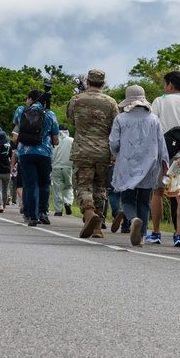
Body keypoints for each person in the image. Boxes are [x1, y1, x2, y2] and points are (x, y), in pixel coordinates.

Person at [110, 85, 170, 247]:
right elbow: (161, 146)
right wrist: (165, 167)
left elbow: (114, 144)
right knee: (144, 201)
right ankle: (142, 236)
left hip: (127, 166)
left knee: (128, 200)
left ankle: (132, 220)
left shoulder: (121, 119)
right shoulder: (154, 119)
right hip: (149, 167)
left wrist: (117, 153)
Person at [66, 69, 120, 238]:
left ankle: (89, 214)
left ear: (87, 82)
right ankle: (97, 228)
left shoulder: (76, 99)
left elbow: (71, 120)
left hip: (82, 151)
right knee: (99, 188)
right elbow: (115, 126)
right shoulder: (111, 102)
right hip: (104, 152)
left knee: (83, 185)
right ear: (103, 84)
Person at [147, 71, 180, 247]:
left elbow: (152, 126)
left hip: (162, 155)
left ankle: (156, 233)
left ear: (170, 85)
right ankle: (179, 235)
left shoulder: (159, 101)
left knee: (157, 193)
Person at [13, 89, 61, 226]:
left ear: (30, 99)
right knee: (44, 183)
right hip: (44, 153)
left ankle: (31, 216)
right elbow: (56, 140)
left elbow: (18, 126)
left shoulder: (20, 111)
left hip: (25, 153)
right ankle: (43, 212)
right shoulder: (51, 114)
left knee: (30, 184)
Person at [50, 125, 74, 216]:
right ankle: (68, 202)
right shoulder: (71, 140)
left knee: (56, 188)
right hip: (68, 166)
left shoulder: (54, 140)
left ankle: (58, 210)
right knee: (68, 186)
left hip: (56, 166)